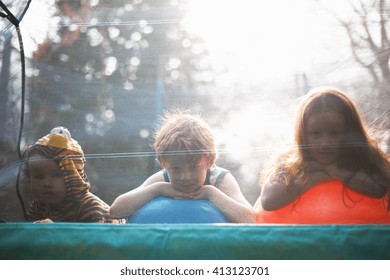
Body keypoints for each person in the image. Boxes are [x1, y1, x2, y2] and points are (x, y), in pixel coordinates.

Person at [255, 86, 390, 223]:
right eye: (315, 134)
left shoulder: (366, 156)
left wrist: (333, 170)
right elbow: (267, 201)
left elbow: (379, 189)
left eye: (334, 133)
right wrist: (313, 179)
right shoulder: (290, 160)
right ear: (302, 135)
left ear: (351, 133)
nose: (325, 143)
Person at [110, 110, 255, 223]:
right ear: (164, 164)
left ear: (209, 160)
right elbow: (116, 210)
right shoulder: (163, 179)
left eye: (194, 167)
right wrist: (157, 189)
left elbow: (251, 219)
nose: (185, 177)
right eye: (176, 169)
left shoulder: (219, 179)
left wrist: (212, 193)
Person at [23, 126, 114, 223]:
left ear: (74, 175)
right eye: (39, 177)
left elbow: (96, 237)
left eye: (57, 175)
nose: (47, 183)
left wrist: (55, 231)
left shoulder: (90, 206)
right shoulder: (39, 206)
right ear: (29, 177)